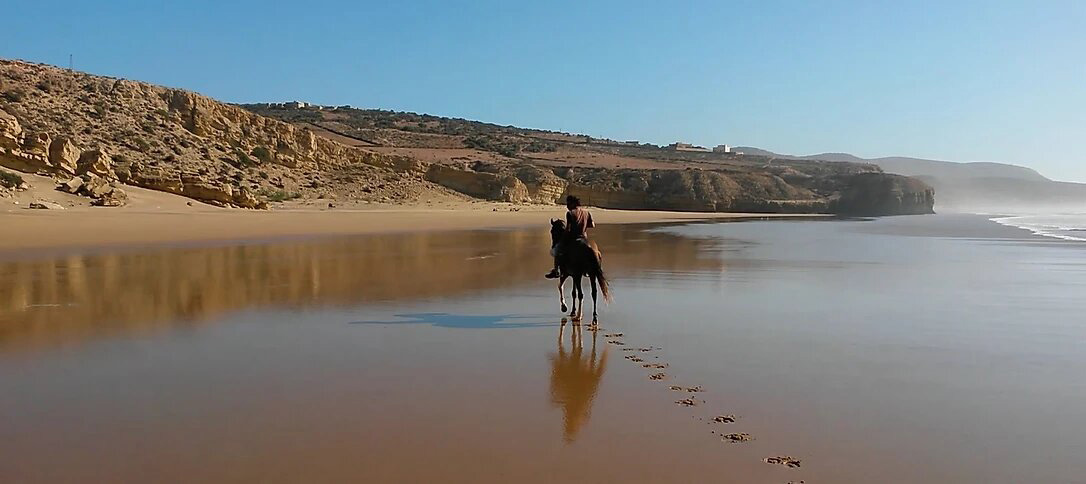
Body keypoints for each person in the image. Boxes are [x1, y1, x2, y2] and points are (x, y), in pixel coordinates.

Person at [546, 195, 595, 279]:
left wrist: (564, 236)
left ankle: (556, 271)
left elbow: (568, 229)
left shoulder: (570, 213)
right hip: (584, 237)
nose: (567, 206)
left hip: (573, 237)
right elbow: (593, 225)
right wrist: (584, 225)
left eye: (568, 203)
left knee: (557, 250)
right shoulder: (587, 212)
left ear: (573, 203)